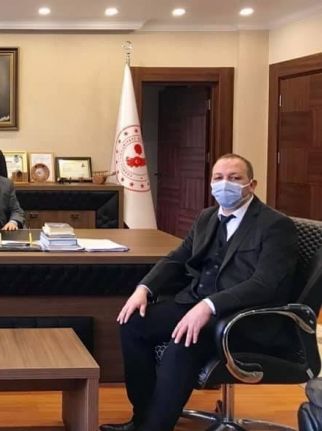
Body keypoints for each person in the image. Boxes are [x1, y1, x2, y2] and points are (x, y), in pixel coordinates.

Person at [100, 154, 298, 431]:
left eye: (234, 178)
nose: (225, 184)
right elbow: (177, 258)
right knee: (133, 323)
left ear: (252, 185)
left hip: (241, 317)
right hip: (195, 303)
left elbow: (265, 283)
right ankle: (142, 417)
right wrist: (144, 288)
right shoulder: (207, 217)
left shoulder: (275, 225)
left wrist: (210, 305)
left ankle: (155, 427)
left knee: (183, 342)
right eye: (218, 178)